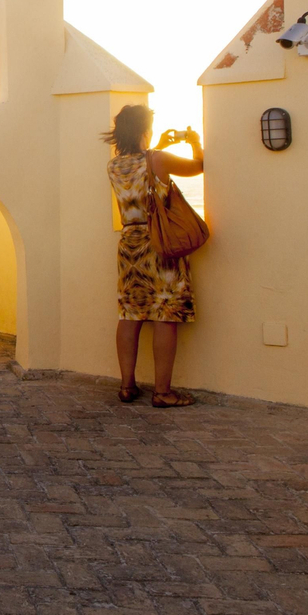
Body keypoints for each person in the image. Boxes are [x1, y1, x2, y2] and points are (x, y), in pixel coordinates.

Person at [103, 104, 203, 407]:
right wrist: (194, 141)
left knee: (129, 315)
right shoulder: (158, 160)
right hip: (159, 243)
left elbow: (143, 167)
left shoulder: (114, 165)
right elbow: (198, 166)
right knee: (164, 313)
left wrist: (158, 147)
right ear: (144, 130)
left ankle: (127, 387)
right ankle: (162, 392)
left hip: (129, 244)